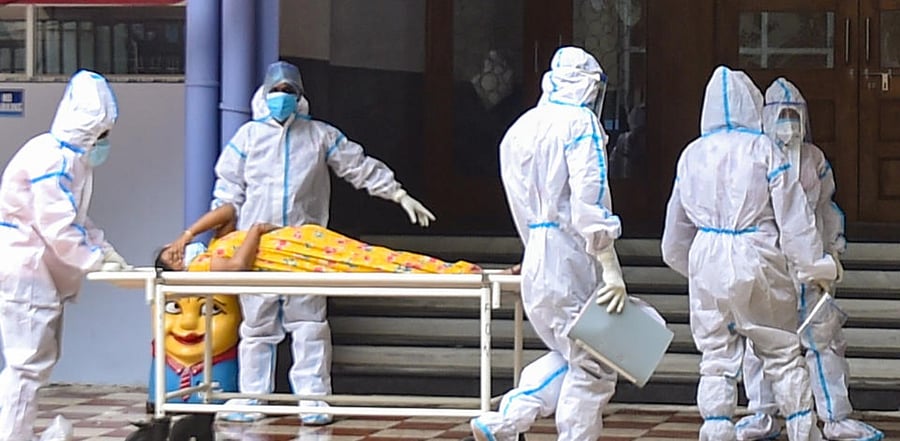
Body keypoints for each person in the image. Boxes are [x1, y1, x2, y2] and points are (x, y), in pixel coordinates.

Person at [210, 61, 436, 424]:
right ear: (264, 94)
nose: (282, 97)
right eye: (276, 90)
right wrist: (219, 237)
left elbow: (358, 166)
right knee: (256, 325)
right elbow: (228, 191)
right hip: (257, 246)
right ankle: (251, 397)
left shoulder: (319, 136)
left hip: (306, 245)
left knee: (309, 323)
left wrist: (397, 193)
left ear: (300, 95)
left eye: (289, 91)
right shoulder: (247, 138)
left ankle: (313, 399)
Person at [467, 46, 664, 441]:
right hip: (571, 259)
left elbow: (522, 205)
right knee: (595, 364)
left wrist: (536, 252)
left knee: (571, 352)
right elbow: (588, 202)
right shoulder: (580, 124)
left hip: (538, 257)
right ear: (589, 85)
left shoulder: (520, 129)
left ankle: (506, 420)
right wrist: (610, 266)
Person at [661, 66, 838, 441]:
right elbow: (793, 218)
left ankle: (717, 431)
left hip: (707, 257)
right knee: (781, 353)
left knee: (716, 360)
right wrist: (814, 266)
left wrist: (691, 267)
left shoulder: (691, 154)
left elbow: (674, 234)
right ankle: (802, 430)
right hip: (758, 256)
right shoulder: (763, 150)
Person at [735, 78, 883, 441]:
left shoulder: (814, 159)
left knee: (824, 341)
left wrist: (832, 250)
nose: (788, 124)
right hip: (769, 263)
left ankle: (835, 416)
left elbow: (826, 207)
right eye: (781, 116)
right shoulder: (755, 155)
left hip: (809, 266)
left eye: (794, 116)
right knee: (762, 343)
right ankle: (763, 413)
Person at [0, 70, 131, 441]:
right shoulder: (52, 159)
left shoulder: (66, 158)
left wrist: (106, 251)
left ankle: (15, 433)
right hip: (26, 269)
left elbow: (76, 219)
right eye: (102, 134)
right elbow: (57, 227)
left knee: (32, 363)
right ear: (87, 128)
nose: (105, 143)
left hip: (33, 270)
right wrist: (95, 260)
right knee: (27, 364)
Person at [154, 204, 480, 274]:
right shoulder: (201, 268)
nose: (177, 255)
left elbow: (227, 211)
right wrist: (255, 231)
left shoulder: (212, 246)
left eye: (171, 251)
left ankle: (453, 270)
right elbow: (238, 266)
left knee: (373, 255)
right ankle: (455, 271)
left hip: (305, 239)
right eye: (172, 260)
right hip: (305, 256)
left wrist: (187, 234)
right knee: (376, 263)